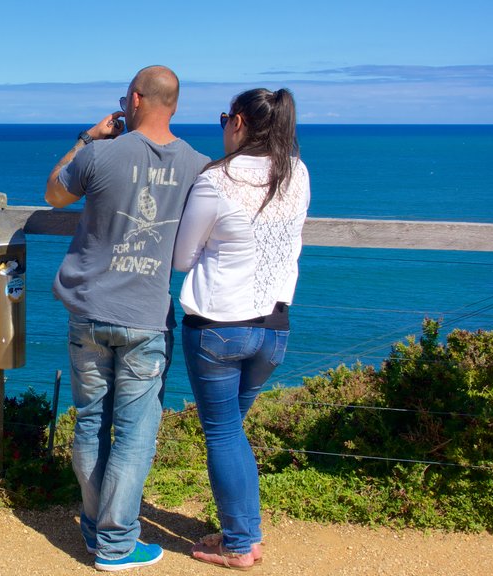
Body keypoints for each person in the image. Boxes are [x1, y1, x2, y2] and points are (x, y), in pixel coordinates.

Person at [46, 65, 210, 572]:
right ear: (175, 106)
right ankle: (115, 542)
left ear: (134, 100)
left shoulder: (100, 154)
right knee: (135, 432)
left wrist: (85, 137)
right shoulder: (200, 165)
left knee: (92, 422)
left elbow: (55, 193)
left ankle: (102, 537)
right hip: (145, 315)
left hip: (90, 310)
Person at [171, 87, 310, 570]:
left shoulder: (217, 180)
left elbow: (182, 257)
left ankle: (239, 544)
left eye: (225, 117)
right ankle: (244, 534)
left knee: (224, 434)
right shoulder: (296, 173)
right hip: (274, 329)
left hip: (219, 327)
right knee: (234, 432)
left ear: (239, 124)